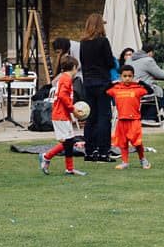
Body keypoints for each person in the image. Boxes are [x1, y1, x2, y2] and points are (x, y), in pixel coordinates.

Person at [78, 14, 116, 162]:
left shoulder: (83, 43)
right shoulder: (103, 41)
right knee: (104, 117)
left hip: (88, 82)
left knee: (91, 118)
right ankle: (103, 151)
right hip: (102, 82)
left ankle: (89, 150)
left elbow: (83, 61)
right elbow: (109, 62)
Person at [40, 53, 84, 176]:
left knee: (69, 141)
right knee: (68, 142)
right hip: (60, 115)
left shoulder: (63, 78)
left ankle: (69, 169)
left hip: (62, 114)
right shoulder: (66, 79)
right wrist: (73, 109)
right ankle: (47, 156)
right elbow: (63, 96)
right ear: (74, 67)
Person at [108, 63, 151, 170]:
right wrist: (113, 82)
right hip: (122, 120)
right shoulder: (116, 89)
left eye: (130, 76)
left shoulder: (137, 89)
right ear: (120, 76)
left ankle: (143, 160)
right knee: (122, 143)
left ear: (133, 76)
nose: (127, 78)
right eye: (124, 76)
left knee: (137, 142)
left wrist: (140, 82)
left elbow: (150, 91)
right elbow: (104, 90)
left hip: (134, 120)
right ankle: (125, 162)